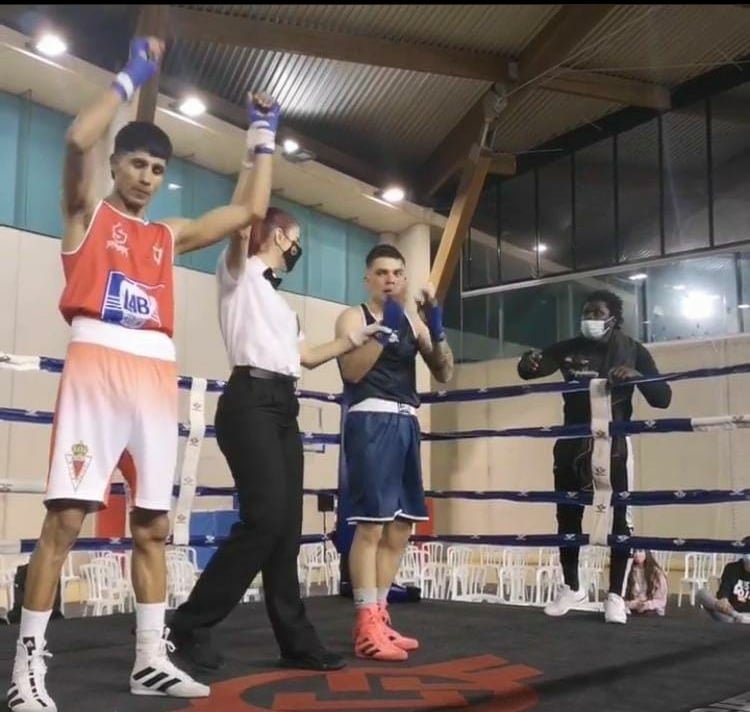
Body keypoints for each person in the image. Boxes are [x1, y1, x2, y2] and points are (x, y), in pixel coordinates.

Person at [7, 35, 278, 711]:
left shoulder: (168, 236)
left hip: (155, 379)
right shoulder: (86, 215)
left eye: (157, 168)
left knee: (153, 526)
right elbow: (77, 139)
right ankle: (26, 670)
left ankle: (151, 660)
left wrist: (263, 137)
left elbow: (246, 213)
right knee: (66, 521)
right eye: (136, 164)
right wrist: (132, 72)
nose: (147, 177)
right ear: (119, 166)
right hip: (97, 368)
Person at [168, 208, 389, 673]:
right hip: (249, 400)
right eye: (297, 239)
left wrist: (357, 339)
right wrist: (257, 170)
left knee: (286, 529)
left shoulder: (280, 305)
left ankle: (296, 641)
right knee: (264, 519)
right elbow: (243, 220)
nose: (298, 247)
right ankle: (189, 624)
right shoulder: (239, 272)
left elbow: (307, 357)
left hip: (284, 403)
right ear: (283, 235)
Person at [517, 290, 672, 625]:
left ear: (612, 317)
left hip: (614, 443)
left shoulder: (632, 350)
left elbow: (663, 399)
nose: (589, 318)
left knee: (619, 520)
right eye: (586, 312)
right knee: (567, 515)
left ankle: (615, 595)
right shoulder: (569, 347)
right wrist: (526, 362)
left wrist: (638, 377)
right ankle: (571, 587)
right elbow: (532, 369)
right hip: (572, 442)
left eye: (596, 312)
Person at [335, 244, 455, 661]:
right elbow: (351, 372)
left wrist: (435, 326)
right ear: (368, 278)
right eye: (382, 273)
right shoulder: (355, 317)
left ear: (404, 279)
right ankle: (365, 624)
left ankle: (380, 616)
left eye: (397, 273)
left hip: (406, 422)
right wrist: (385, 326)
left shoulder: (411, 320)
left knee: (402, 526)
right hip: (370, 419)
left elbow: (444, 372)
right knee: (371, 525)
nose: (390, 279)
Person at [697, 553, 750, 623]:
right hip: (730, 612)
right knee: (701, 593)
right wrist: (724, 598)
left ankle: (740, 620)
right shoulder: (732, 568)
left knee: (731, 620)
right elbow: (724, 588)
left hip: (747, 614)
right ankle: (738, 617)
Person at [624, 549, 668, 616]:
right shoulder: (628, 571)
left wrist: (647, 605)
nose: (637, 554)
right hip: (631, 609)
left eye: (640, 551)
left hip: (651, 610)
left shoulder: (656, 573)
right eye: (634, 552)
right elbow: (621, 598)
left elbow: (661, 600)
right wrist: (633, 604)